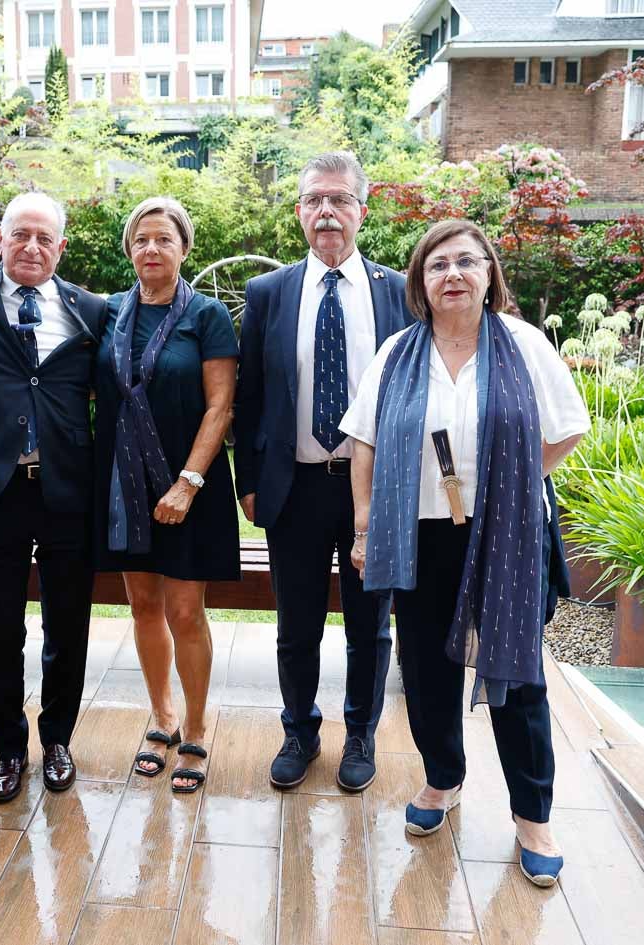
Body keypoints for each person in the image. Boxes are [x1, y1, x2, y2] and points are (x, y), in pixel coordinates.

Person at [340, 219, 589, 888]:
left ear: (487, 274)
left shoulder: (525, 346)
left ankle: (532, 815)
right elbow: (362, 440)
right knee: (422, 666)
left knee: (517, 674)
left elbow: (568, 427)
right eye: (435, 265)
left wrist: (515, 479)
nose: (451, 274)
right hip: (418, 531)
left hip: (505, 532)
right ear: (419, 282)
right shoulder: (397, 352)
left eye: (464, 262)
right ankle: (442, 778)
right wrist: (364, 524)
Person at [232, 151, 409, 793]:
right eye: (314, 200)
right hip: (296, 489)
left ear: (362, 209)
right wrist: (248, 483)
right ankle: (299, 731)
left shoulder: (398, 293)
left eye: (339, 199)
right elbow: (248, 393)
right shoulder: (269, 293)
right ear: (300, 212)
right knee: (296, 623)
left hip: (375, 494)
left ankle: (359, 734)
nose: (326, 211)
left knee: (370, 624)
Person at [0, 194, 108, 802]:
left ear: (60, 247)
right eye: (21, 235)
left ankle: (58, 739)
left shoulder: (89, 309)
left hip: (67, 488)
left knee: (68, 622)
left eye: (45, 238)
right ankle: (9, 749)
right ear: (0, 236)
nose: (32, 248)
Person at [96, 197, 239, 794]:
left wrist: (189, 482)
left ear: (184, 248)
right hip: (125, 488)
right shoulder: (107, 314)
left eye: (163, 240)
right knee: (143, 607)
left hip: (191, 488)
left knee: (185, 612)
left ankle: (198, 728)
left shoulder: (206, 316)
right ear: (129, 250)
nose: (151, 250)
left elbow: (220, 405)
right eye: (141, 241)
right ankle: (161, 717)